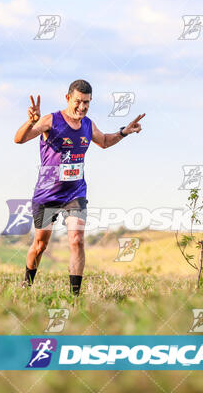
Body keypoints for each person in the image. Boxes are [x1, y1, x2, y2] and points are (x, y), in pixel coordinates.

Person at [14, 79, 145, 296]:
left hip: (75, 193)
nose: (82, 107)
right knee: (40, 245)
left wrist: (124, 132)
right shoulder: (51, 120)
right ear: (68, 98)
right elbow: (19, 139)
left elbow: (103, 141)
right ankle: (26, 284)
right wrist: (30, 122)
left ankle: (75, 298)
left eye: (87, 103)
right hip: (47, 194)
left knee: (77, 239)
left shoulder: (87, 124)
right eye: (78, 101)